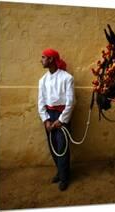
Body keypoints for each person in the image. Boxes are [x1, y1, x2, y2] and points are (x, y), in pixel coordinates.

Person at [38, 48, 75, 191]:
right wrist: (46, 119)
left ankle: (65, 178)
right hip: (49, 116)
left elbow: (71, 102)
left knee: (62, 148)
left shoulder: (67, 78)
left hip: (61, 116)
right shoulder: (43, 80)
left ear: (51, 59)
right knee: (53, 146)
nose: (40, 60)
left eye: (43, 57)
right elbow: (41, 101)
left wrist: (61, 120)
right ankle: (60, 172)